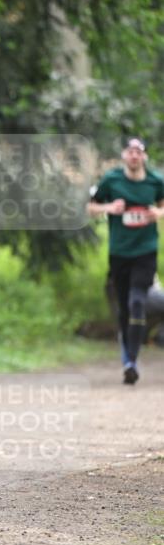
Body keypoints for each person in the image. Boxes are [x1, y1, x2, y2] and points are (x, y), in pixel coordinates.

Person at [88, 136, 164, 384]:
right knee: (124, 307)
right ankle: (128, 362)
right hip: (119, 252)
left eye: (138, 152)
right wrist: (109, 208)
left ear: (144, 157)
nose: (134, 155)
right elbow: (91, 207)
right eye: (130, 151)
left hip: (146, 251)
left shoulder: (155, 181)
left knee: (137, 301)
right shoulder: (111, 180)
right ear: (124, 155)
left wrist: (158, 212)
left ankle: (132, 359)